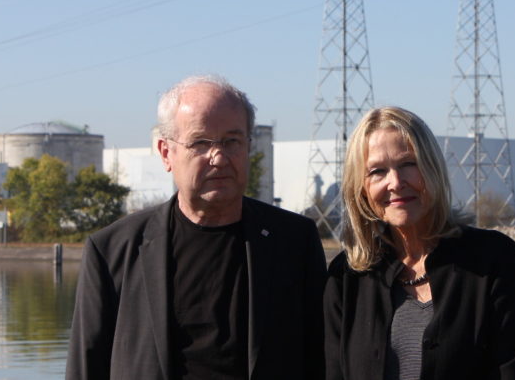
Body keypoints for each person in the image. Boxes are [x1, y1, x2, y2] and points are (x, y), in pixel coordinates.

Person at [66, 75, 327, 380]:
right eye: (201, 143)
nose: (218, 158)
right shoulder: (112, 251)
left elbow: (321, 359)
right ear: (166, 153)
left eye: (232, 141)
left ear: (248, 147)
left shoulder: (294, 242)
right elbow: (86, 367)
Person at [323, 106, 515, 380]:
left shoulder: (492, 259)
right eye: (377, 171)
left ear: (432, 167)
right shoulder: (345, 277)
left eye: (408, 164)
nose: (395, 183)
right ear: (360, 189)